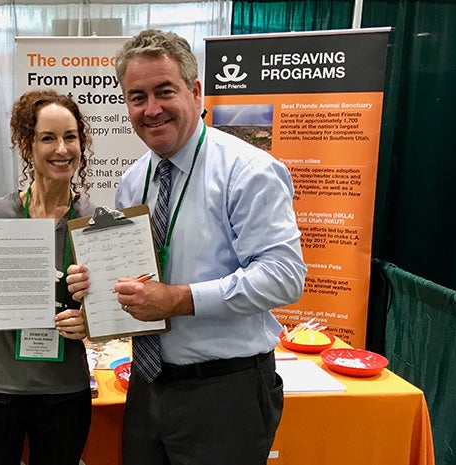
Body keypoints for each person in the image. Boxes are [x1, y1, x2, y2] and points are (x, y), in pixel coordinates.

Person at [66, 29, 307, 465]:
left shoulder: (248, 170)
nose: (151, 109)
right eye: (137, 96)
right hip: (147, 384)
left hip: (225, 393)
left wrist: (179, 300)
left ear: (195, 91)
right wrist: (96, 293)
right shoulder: (133, 181)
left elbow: (284, 277)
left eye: (164, 91)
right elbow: (137, 279)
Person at [0, 89, 95, 465]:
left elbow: (112, 308)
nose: (62, 148)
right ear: (28, 146)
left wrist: (89, 322)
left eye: (70, 137)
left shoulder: (95, 221)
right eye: (48, 138)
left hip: (63, 390)